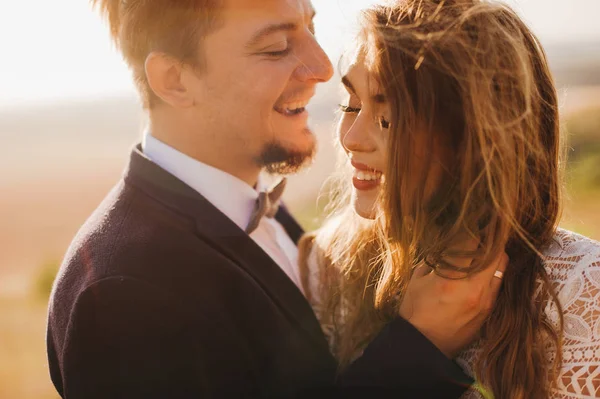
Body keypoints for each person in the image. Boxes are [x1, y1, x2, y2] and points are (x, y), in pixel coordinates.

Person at [46, 0, 503, 397]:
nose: (323, 67)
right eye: (276, 47)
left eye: (311, 29)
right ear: (174, 79)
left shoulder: (254, 209)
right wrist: (417, 348)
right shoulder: (123, 294)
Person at [300, 0, 600, 398]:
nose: (350, 138)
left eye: (388, 118)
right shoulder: (328, 265)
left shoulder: (580, 294)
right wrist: (417, 342)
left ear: (476, 139)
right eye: (350, 105)